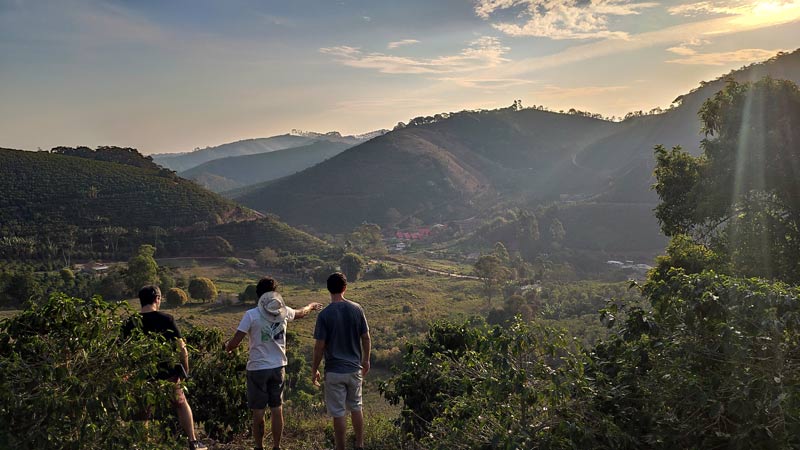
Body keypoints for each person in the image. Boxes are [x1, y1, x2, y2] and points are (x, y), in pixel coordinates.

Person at [225, 276, 322, 450]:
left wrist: (227, 347)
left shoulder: (251, 315)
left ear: (259, 296)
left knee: (258, 412)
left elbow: (234, 343)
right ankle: (277, 446)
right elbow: (301, 312)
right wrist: (312, 306)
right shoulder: (284, 312)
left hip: (257, 369)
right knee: (277, 409)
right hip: (278, 367)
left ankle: (259, 446)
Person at [122, 285, 206, 450]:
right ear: (157, 299)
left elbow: (122, 351)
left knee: (142, 412)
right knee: (181, 404)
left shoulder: (130, 322)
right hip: (168, 374)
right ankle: (193, 441)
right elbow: (182, 348)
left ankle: (143, 445)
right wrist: (185, 370)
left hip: (141, 375)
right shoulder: (167, 319)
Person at [311, 272, 371, 450]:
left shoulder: (324, 315)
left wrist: (314, 369)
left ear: (328, 289)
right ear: (345, 288)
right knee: (356, 407)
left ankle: (340, 447)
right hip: (354, 368)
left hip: (334, 371)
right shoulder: (357, 309)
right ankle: (359, 444)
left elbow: (319, 346)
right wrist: (366, 360)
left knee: (338, 413)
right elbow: (366, 337)